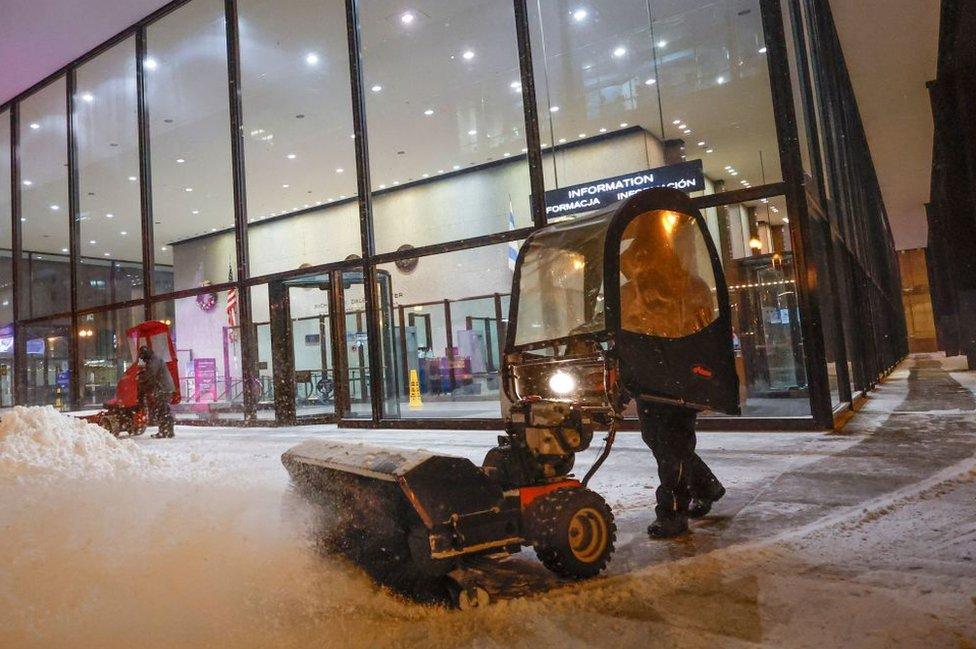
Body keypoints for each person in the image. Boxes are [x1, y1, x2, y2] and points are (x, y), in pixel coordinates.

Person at [619, 210, 727, 538]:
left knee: (672, 445)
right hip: (649, 380)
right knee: (658, 441)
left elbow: (702, 332)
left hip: (681, 379)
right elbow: (622, 336)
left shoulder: (690, 288)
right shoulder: (628, 294)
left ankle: (672, 512)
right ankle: (706, 486)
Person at [137, 345, 175, 439]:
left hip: (163, 388)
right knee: (165, 410)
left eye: (143, 358)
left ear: (145, 355)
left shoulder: (154, 361)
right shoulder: (154, 359)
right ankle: (169, 431)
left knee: (161, 410)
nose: (143, 361)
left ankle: (164, 432)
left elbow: (150, 375)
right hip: (166, 387)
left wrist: (140, 381)